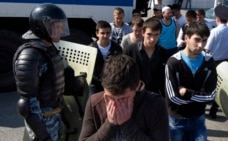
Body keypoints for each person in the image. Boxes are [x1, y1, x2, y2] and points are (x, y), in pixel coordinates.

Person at [13, 3, 85, 141]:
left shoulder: (48, 48)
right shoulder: (30, 56)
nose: (60, 30)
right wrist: (43, 136)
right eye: (56, 26)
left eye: (61, 26)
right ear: (42, 27)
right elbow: (26, 105)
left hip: (54, 116)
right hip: (42, 122)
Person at [79, 54, 170, 141]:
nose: (115, 104)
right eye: (110, 97)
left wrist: (127, 124)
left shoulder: (156, 105)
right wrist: (109, 124)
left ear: (137, 86)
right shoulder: (95, 102)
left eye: (123, 98)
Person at [165, 22, 217, 141]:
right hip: (177, 120)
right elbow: (173, 98)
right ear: (186, 38)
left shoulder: (209, 61)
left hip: (198, 118)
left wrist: (187, 92)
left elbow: (211, 96)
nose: (200, 45)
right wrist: (200, 96)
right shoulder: (173, 62)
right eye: (197, 40)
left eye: (204, 40)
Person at [123, 17, 171, 97]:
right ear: (143, 32)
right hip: (133, 96)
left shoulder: (164, 53)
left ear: (160, 34)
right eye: (149, 34)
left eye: (156, 35)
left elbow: (165, 79)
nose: (152, 39)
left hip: (155, 98)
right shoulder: (130, 50)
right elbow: (123, 74)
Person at [204, 5, 228, 119]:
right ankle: (213, 111)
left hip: (212, 61)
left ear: (217, 18)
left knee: (207, 86)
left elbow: (207, 49)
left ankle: (202, 109)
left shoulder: (214, 31)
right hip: (224, 62)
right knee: (219, 87)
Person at [89, 20, 123, 94]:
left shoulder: (117, 48)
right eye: (102, 33)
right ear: (97, 33)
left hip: (112, 83)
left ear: (111, 33)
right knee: (92, 103)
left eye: (108, 33)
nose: (105, 36)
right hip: (95, 83)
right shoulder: (90, 48)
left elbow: (120, 67)